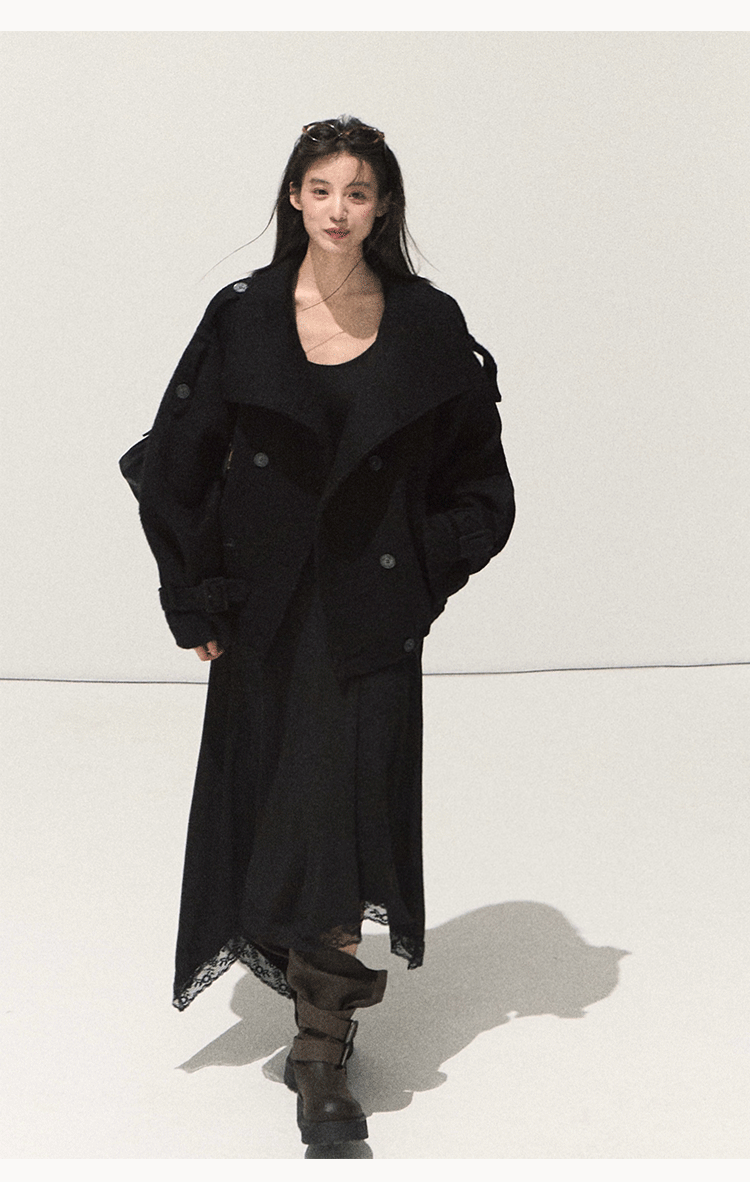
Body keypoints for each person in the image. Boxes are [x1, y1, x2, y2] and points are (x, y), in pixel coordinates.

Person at [133, 115, 515, 1147]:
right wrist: (195, 597)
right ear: (294, 198)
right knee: (277, 801)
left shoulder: (429, 323)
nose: (338, 208)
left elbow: (484, 486)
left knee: (348, 807)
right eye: (320, 188)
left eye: (358, 190)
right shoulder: (245, 315)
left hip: (371, 616)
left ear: (383, 206)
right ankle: (310, 992)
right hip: (267, 613)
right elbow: (174, 462)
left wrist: (418, 569)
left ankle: (321, 1048)